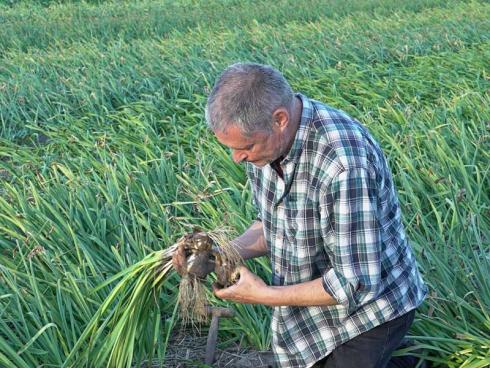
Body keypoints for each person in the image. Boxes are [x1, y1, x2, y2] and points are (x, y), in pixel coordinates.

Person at [173, 63, 428, 368]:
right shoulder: (266, 148)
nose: (237, 157)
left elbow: (354, 283)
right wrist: (219, 253)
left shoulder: (343, 165)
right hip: (312, 303)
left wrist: (263, 295)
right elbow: (272, 226)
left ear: (279, 119)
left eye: (245, 147)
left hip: (370, 309)